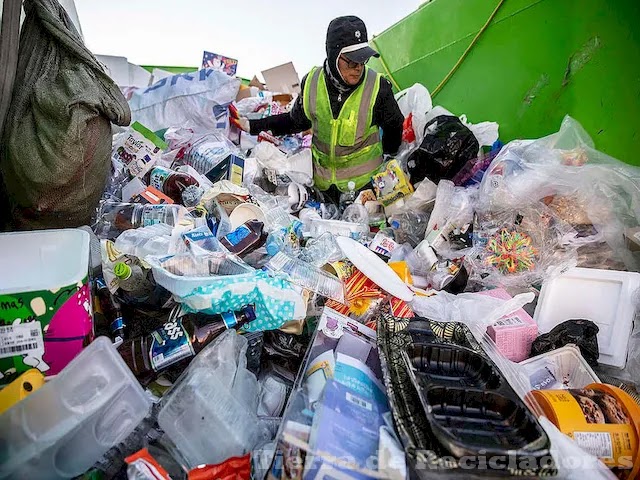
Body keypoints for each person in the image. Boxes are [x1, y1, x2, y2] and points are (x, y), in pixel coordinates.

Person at [235, 16, 404, 203]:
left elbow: (394, 126)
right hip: (323, 189)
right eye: (351, 62)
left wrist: (388, 164)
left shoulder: (378, 87)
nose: (358, 68)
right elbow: (295, 121)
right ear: (334, 56)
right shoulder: (312, 82)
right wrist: (251, 125)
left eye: (363, 61)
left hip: (364, 191)